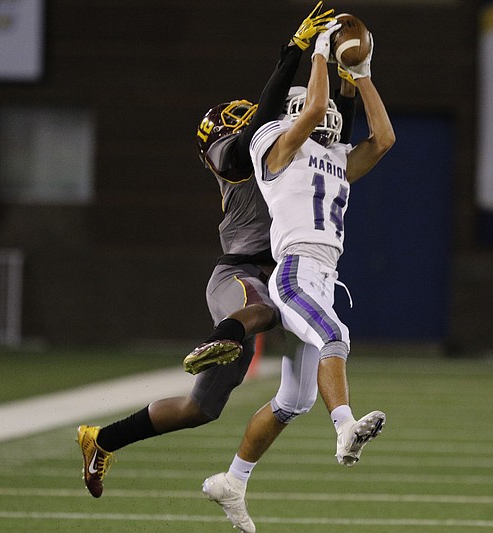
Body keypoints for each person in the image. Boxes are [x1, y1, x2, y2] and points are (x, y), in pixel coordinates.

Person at [75, 2, 343, 499]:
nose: (268, 120)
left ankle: (101, 439)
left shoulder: (288, 155)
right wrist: (294, 54)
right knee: (259, 307)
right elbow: (262, 123)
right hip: (240, 274)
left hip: (284, 273)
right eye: (248, 118)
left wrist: (347, 77)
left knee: (202, 409)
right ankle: (219, 339)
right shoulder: (231, 154)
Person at [200, 21, 395, 533]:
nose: (329, 115)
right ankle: (346, 427)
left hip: (325, 276)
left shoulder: (332, 157)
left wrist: (365, 75)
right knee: (335, 335)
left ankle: (233, 482)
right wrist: (320, 55)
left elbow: (385, 138)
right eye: (320, 109)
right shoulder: (275, 152)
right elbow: (310, 111)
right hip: (292, 274)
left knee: (295, 400)